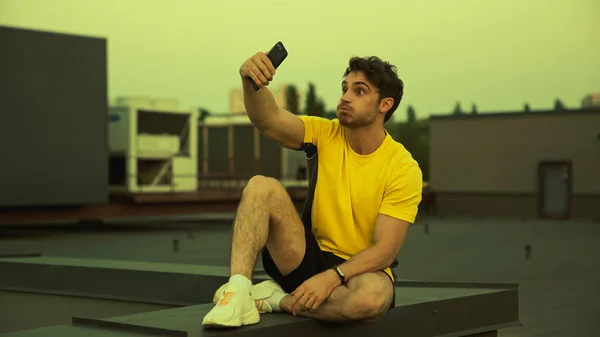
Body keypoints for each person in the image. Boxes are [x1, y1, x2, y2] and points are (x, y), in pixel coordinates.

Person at [201, 49, 423, 328]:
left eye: (359, 91)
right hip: (304, 255)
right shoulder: (324, 133)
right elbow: (267, 118)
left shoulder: (402, 168)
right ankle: (238, 291)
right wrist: (250, 82)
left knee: (369, 301)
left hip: (360, 270)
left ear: (384, 104)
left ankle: (276, 300)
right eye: (344, 88)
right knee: (261, 187)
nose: (345, 97)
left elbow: (385, 250)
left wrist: (333, 277)